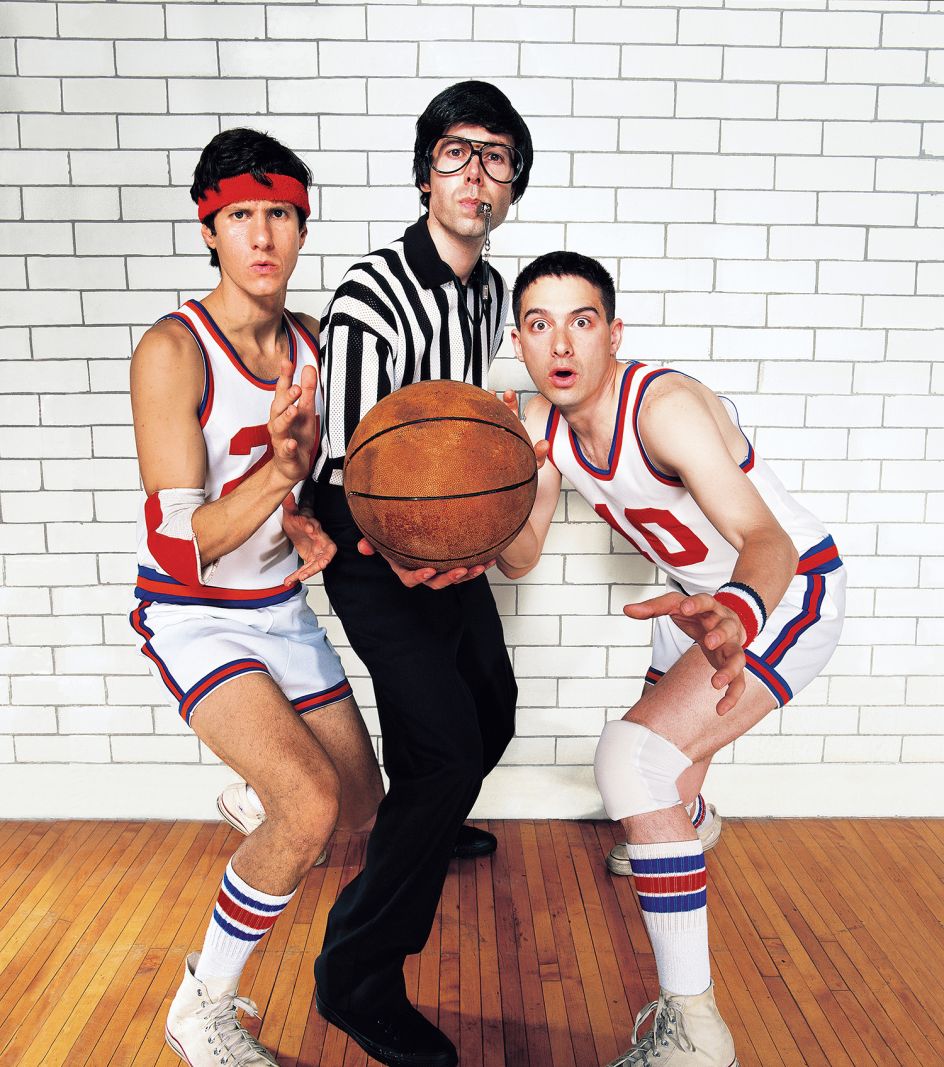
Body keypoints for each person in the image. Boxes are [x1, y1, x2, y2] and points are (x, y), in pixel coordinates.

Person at [499, 251, 845, 1067]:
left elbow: (767, 543)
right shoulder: (542, 424)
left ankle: (696, 1032)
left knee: (632, 763)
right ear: (519, 341)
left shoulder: (665, 409)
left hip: (780, 594)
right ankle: (692, 820)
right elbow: (521, 556)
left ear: (613, 333)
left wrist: (740, 608)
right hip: (692, 602)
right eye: (540, 324)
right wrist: (471, 503)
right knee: (664, 794)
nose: (562, 345)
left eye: (581, 322)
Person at [279, 81, 533, 1067]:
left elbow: (463, 430)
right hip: (368, 533)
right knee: (443, 749)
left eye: (497, 157)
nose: (477, 173)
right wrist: (399, 550)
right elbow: (350, 455)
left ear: (513, 184)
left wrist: (469, 531)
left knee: (490, 707)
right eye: (457, 153)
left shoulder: (484, 288)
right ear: (424, 170)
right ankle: (355, 976)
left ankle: (422, 817)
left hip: (441, 530)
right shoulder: (370, 292)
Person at [129, 128, 383, 1067]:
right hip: (193, 614)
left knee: (361, 807)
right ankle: (204, 1004)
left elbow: (300, 489)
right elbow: (179, 544)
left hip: (279, 609)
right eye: (241, 216)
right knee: (310, 806)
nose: (263, 235)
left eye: (281, 213)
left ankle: (259, 789)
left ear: (302, 226)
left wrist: (308, 517)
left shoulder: (311, 344)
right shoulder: (172, 349)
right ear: (210, 228)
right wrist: (280, 473)